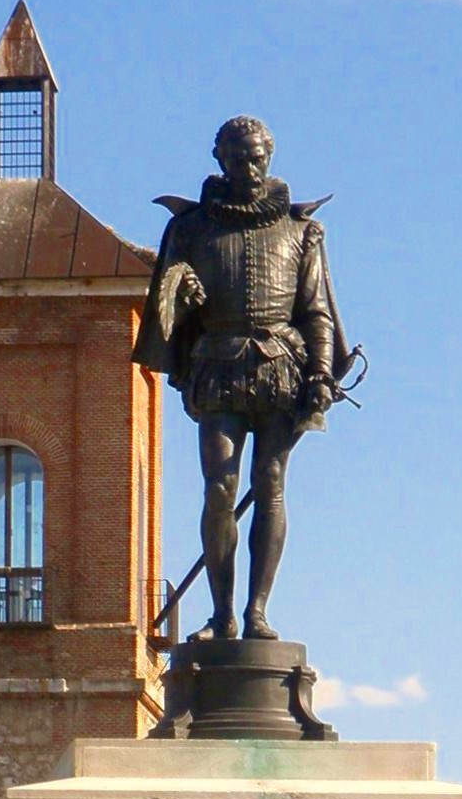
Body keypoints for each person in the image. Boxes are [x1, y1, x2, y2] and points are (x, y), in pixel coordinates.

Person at [134, 117, 350, 641]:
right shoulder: (189, 229)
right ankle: (222, 614)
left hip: (282, 369)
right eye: (239, 159)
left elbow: (316, 312)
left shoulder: (302, 232)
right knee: (218, 489)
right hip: (218, 368)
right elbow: (167, 317)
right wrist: (180, 300)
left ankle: (257, 611)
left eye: (258, 157)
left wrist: (321, 371)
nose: (250, 168)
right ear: (221, 160)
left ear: (269, 157)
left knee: (270, 483)